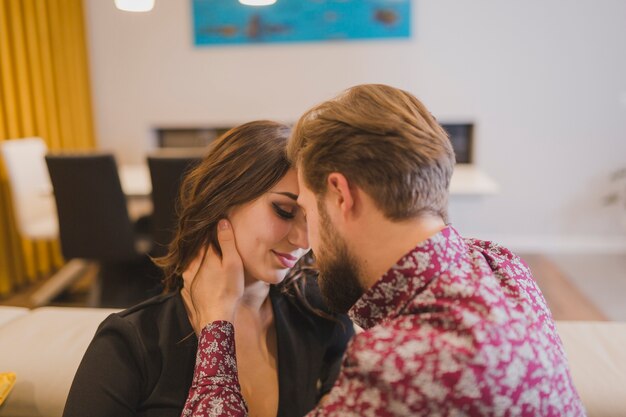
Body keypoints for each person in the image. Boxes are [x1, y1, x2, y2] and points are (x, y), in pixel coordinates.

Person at [178, 85, 586, 416]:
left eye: (304, 209)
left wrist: (217, 322)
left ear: (340, 194)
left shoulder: (398, 368)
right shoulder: (501, 265)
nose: (306, 243)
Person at [62, 121, 354, 417]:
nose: (303, 240)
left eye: (313, 216)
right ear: (222, 198)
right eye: (285, 211)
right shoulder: (131, 342)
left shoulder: (320, 313)